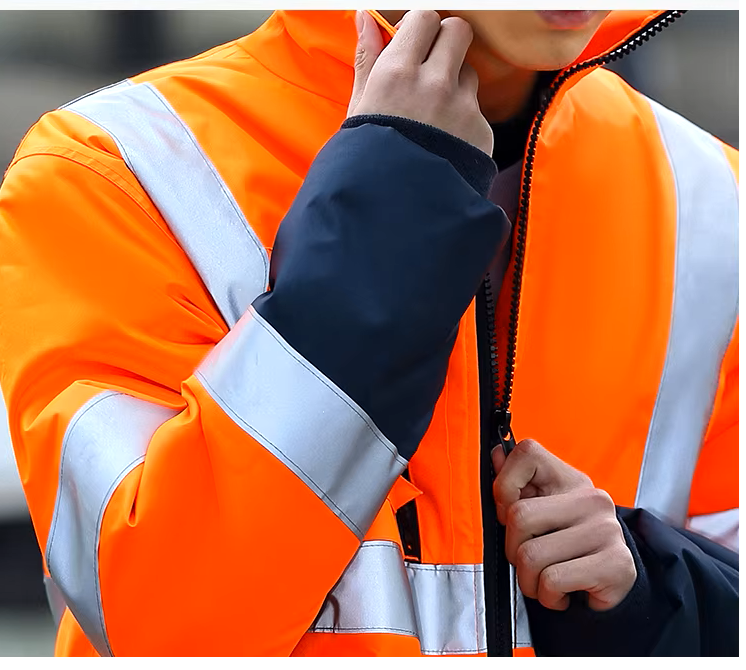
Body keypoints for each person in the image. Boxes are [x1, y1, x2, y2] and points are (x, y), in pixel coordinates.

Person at [0, 9, 738, 657]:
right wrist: (383, 225)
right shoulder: (108, 170)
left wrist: (652, 591)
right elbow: (162, 626)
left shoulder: (712, 197)